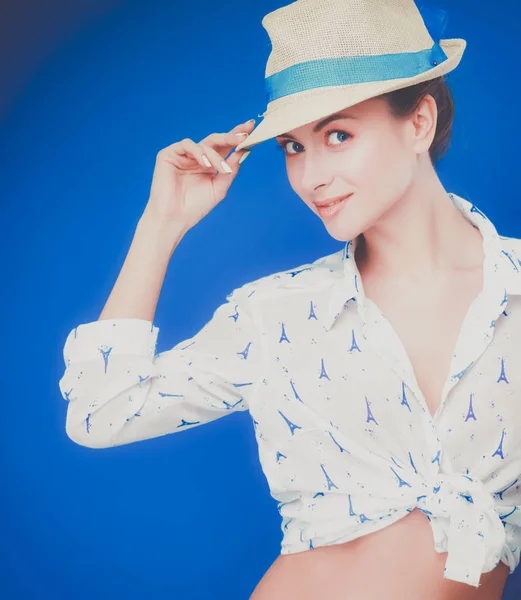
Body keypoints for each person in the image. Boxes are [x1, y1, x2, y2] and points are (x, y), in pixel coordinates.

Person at [58, 0, 521, 598]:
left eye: (338, 134)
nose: (311, 176)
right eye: (294, 148)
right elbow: (100, 413)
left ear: (419, 123)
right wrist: (162, 223)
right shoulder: (275, 315)